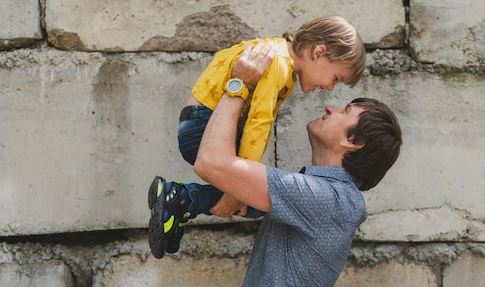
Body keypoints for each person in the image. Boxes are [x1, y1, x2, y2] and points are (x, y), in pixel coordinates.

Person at [192, 44, 402, 287]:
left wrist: (239, 84)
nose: (330, 106)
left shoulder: (325, 198)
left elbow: (211, 163)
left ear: (353, 142)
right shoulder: (331, 198)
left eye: (345, 111)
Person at [148, 16, 366, 259]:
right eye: (335, 78)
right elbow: (258, 125)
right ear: (319, 52)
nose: (330, 88)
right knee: (258, 199)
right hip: (202, 125)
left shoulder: (275, 53)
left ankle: (177, 204)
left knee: (258, 192)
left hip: (196, 121)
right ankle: (180, 199)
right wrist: (237, 189)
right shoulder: (279, 65)